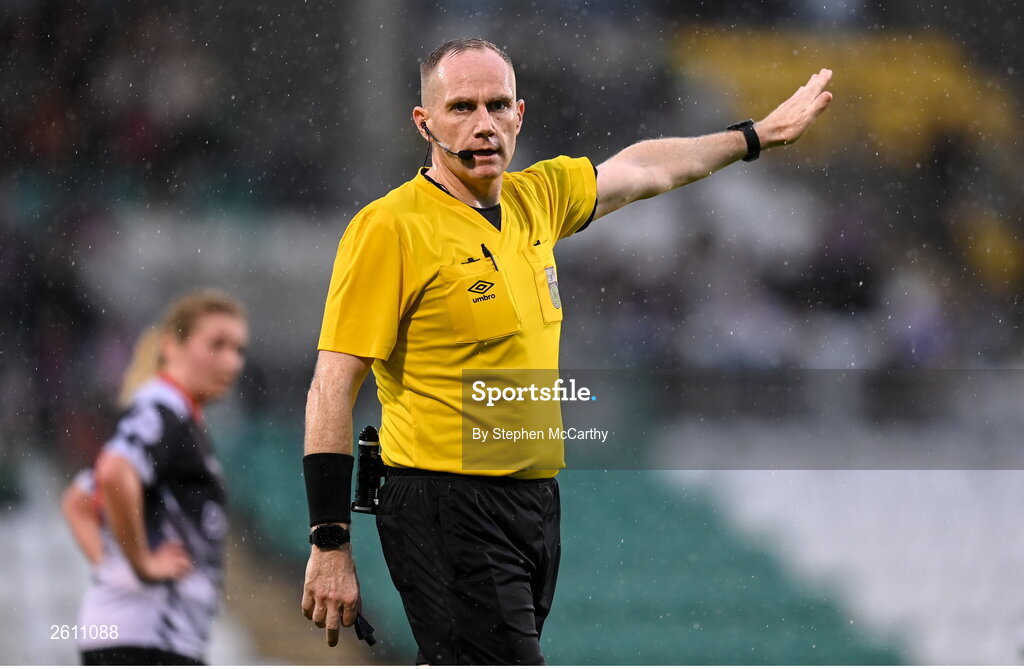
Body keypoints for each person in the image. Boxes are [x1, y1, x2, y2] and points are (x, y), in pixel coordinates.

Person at [300, 38, 833, 664]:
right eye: (461, 107)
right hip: (443, 502)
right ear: (424, 122)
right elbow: (332, 385)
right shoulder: (390, 228)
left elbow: (643, 169)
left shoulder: (535, 200)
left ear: (519, 115)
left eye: (498, 106)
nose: (483, 124)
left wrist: (754, 137)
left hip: (532, 504)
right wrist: (330, 541)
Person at [63, 289, 248, 666]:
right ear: (172, 346)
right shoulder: (163, 410)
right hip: (148, 640)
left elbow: (78, 502)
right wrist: (141, 564)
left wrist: (117, 567)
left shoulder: (174, 415)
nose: (233, 361)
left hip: (139, 637)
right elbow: (115, 471)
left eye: (238, 349)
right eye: (217, 344)